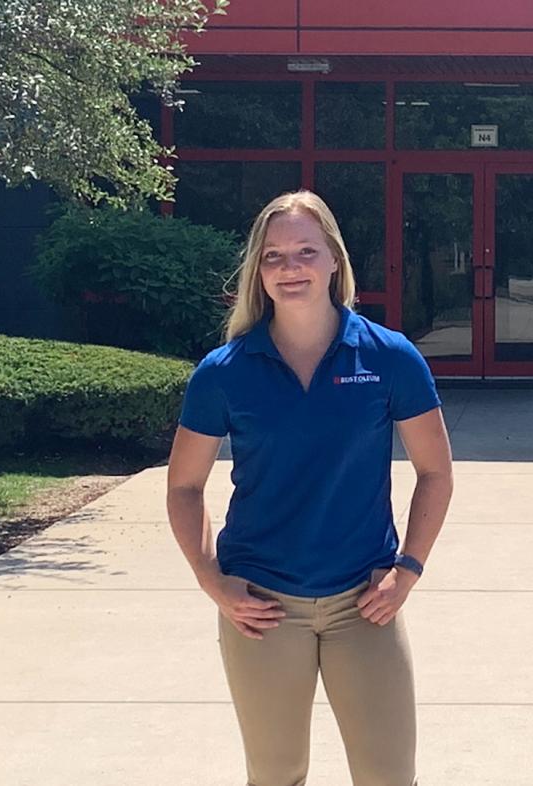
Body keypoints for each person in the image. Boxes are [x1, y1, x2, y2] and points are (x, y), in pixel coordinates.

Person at [166, 190, 453, 786]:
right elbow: (185, 486)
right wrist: (210, 578)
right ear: (259, 272)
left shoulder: (389, 357)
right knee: (276, 776)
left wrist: (409, 568)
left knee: (389, 776)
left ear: (334, 262)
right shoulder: (225, 371)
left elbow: (435, 473)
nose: (289, 267)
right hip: (261, 608)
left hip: (364, 603)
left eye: (304, 251)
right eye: (273, 257)